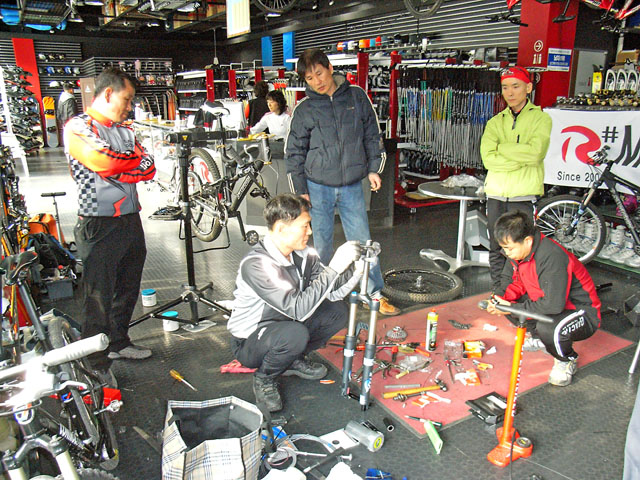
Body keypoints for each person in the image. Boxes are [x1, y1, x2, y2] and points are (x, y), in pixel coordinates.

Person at [285, 48, 399, 316]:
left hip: (351, 185)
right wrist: (300, 190)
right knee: (321, 245)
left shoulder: (356, 97)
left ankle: (372, 293)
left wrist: (374, 169)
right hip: (317, 187)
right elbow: (294, 152)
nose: (317, 81)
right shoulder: (305, 109)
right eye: (309, 78)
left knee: (363, 242)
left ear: (330, 68)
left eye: (319, 73)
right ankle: (322, 296)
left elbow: (372, 134)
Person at [227, 193, 365, 412]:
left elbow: (333, 292)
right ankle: (264, 378)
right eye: (304, 226)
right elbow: (298, 310)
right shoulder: (257, 264)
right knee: (294, 334)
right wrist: (334, 268)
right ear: (282, 228)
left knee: (337, 312)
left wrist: (359, 267)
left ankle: (291, 359)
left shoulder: (304, 254)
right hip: (250, 341)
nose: (309, 232)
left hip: (285, 325)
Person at [64, 67, 156, 372]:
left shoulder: (125, 130)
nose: (130, 106)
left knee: (128, 287)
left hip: (130, 219)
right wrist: (125, 165)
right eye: (126, 99)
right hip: (98, 222)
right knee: (98, 297)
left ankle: (118, 342)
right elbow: (104, 161)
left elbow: (149, 167)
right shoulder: (78, 127)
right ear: (107, 94)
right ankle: (95, 364)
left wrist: (120, 166)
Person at [486, 210, 601, 387]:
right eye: (504, 248)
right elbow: (510, 281)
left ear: (527, 241)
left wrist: (511, 308)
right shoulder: (519, 253)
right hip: (551, 303)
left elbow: (553, 305)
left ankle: (566, 359)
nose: (507, 253)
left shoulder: (552, 256)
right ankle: (541, 339)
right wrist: (498, 300)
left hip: (582, 312)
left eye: (509, 248)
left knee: (548, 327)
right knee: (506, 306)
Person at [480, 66, 552, 292]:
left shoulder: (541, 119)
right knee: (496, 245)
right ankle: (499, 291)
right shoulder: (495, 122)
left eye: (515, 86)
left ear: (528, 88)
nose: (509, 92)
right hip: (496, 193)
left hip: (524, 193)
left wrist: (503, 148)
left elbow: (536, 153)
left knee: (520, 248)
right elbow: (488, 159)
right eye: (505, 87)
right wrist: (520, 158)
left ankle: (518, 291)